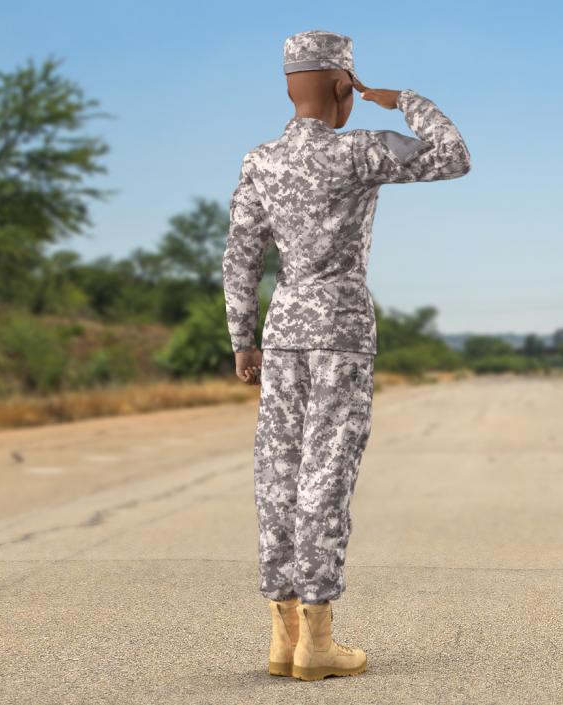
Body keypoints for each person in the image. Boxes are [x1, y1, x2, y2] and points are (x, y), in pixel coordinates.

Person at [221, 28, 471, 681]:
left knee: (276, 472)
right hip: (339, 326)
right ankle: (318, 641)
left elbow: (241, 257)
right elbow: (453, 156)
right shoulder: (358, 151)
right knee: (325, 475)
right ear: (342, 87)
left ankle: (281, 636)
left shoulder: (260, 159)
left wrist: (241, 339)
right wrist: (403, 99)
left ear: (287, 86)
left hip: (281, 331)